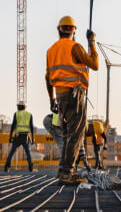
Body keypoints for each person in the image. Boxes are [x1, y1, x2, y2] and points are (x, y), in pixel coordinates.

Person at [45, 15, 98, 185]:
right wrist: (91, 42)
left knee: (67, 133)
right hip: (75, 94)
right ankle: (67, 172)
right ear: (74, 30)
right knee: (76, 133)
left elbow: (47, 77)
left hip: (60, 96)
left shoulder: (51, 50)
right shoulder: (75, 47)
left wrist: (51, 98)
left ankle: (63, 170)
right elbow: (95, 64)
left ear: (59, 29)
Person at [4, 102, 35, 172]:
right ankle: (30, 166)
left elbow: (13, 125)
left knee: (12, 151)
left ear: (19, 107)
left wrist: (10, 136)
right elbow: (31, 127)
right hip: (26, 136)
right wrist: (32, 138)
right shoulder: (29, 114)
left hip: (17, 136)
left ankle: (7, 166)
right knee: (28, 152)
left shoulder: (16, 114)